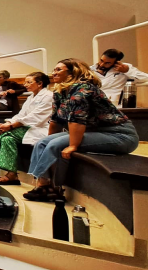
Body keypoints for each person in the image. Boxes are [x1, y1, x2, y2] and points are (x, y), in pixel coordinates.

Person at [24, 59, 140, 201]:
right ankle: (43, 185)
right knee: (42, 143)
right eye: (54, 69)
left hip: (119, 134)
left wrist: (72, 145)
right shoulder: (60, 92)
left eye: (59, 69)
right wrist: (48, 139)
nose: (54, 73)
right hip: (94, 132)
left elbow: (77, 120)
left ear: (73, 72)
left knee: (56, 145)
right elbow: (56, 120)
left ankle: (56, 188)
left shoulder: (83, 89)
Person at [0, 72, 52, 185]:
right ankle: (12, 175)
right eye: (25, 82)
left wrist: (9, 126)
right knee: (7, 139)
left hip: (40, 129)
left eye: (29, 82)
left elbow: (35, 117)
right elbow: (21, 115)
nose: (25, 85)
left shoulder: (48, 96)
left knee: (3, 134)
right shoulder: (31, 97)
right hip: (27, 127)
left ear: (40, 84)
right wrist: (7, 123)